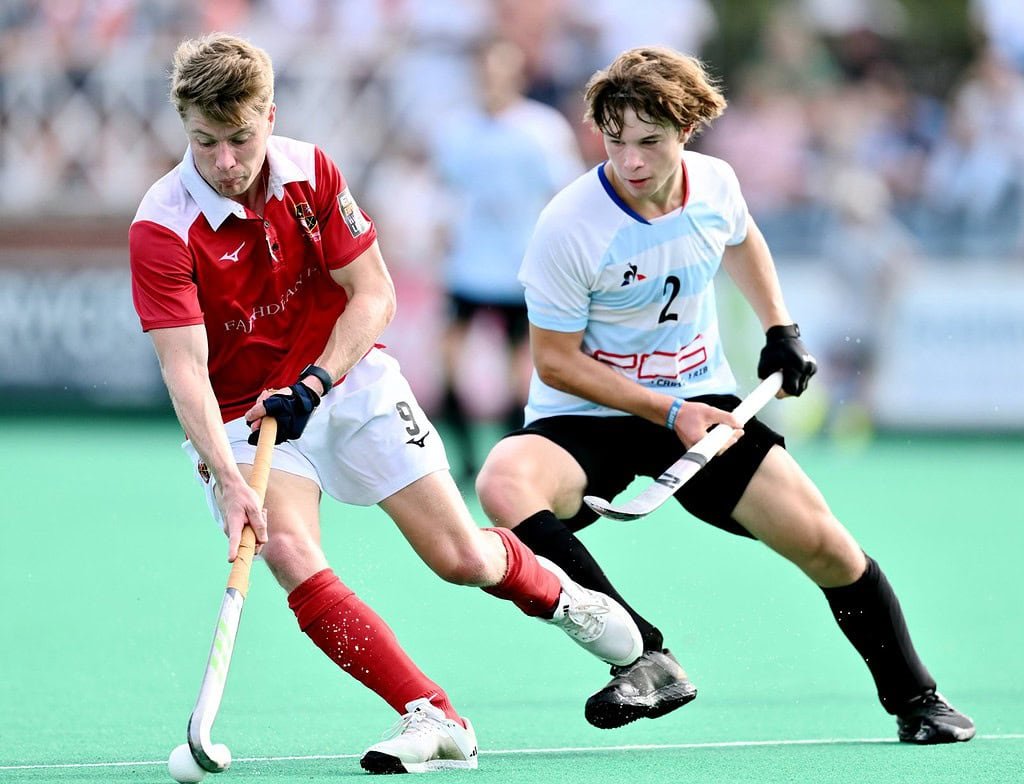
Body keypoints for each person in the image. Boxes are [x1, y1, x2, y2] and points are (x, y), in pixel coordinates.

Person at [128, 33, 642, 775]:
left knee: (459, 556)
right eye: (205, 142)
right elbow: (185, 371)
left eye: (240, 138)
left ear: (269, 115)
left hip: (347, 380)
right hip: (243, 415)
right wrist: (230, 479)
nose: (226, 163)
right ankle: (433, 714)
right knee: (291, 553)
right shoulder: (162, 225)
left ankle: (563, 597)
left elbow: (375, 295)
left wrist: (314, 382)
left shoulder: (311, 172)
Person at [475, 46, 975, 745]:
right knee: (505, 479)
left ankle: (917, 698)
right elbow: (556, 365)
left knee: (827, 546)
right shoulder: (570, 225)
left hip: (702, 397)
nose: (632, 161)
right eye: (616, 142)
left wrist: (780, 328)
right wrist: (669, 412)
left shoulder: (714, 184)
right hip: (593, 411)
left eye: (650, 142)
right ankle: (644, 656)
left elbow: (741, 239)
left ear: (687, 130)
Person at [432, 35, 585, 483]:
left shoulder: (541, 129)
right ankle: (463, 460)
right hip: (468, 265)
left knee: (521, 369)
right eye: (484, 72)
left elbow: (565, 194)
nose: (491, 80)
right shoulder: (456, 130)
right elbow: (445, 189)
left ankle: (512, 456)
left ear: (516, 75)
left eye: (500, 71)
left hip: (520, 266)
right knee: (448, 359)